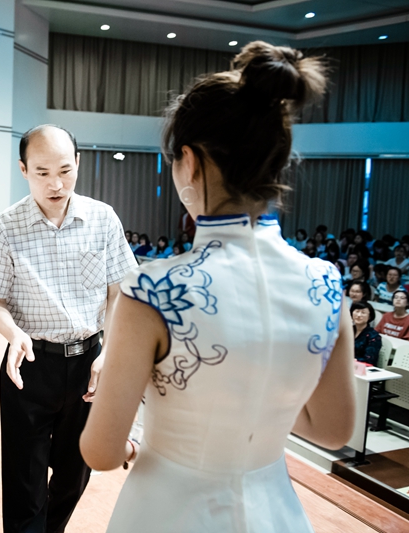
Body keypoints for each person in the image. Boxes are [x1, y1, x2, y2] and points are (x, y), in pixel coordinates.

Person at [79, 41, 355, 533]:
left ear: (190, 161)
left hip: (166, 511)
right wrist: (258, 399)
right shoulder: (326, 283)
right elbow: (334, 430)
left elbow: (100, 452)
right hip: (275, 513)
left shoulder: (152, 290)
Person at [0, 124, 137, 533]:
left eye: (65, 170)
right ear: (23, 170)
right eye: (42, 173)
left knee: (76, 471)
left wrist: (108, 352)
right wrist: (14, 334)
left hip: (88, 365)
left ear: (78, 162)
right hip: (29, 364)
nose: (56, 184)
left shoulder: (102, 219)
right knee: (24, 481)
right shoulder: (5, 227)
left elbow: (118, 294)